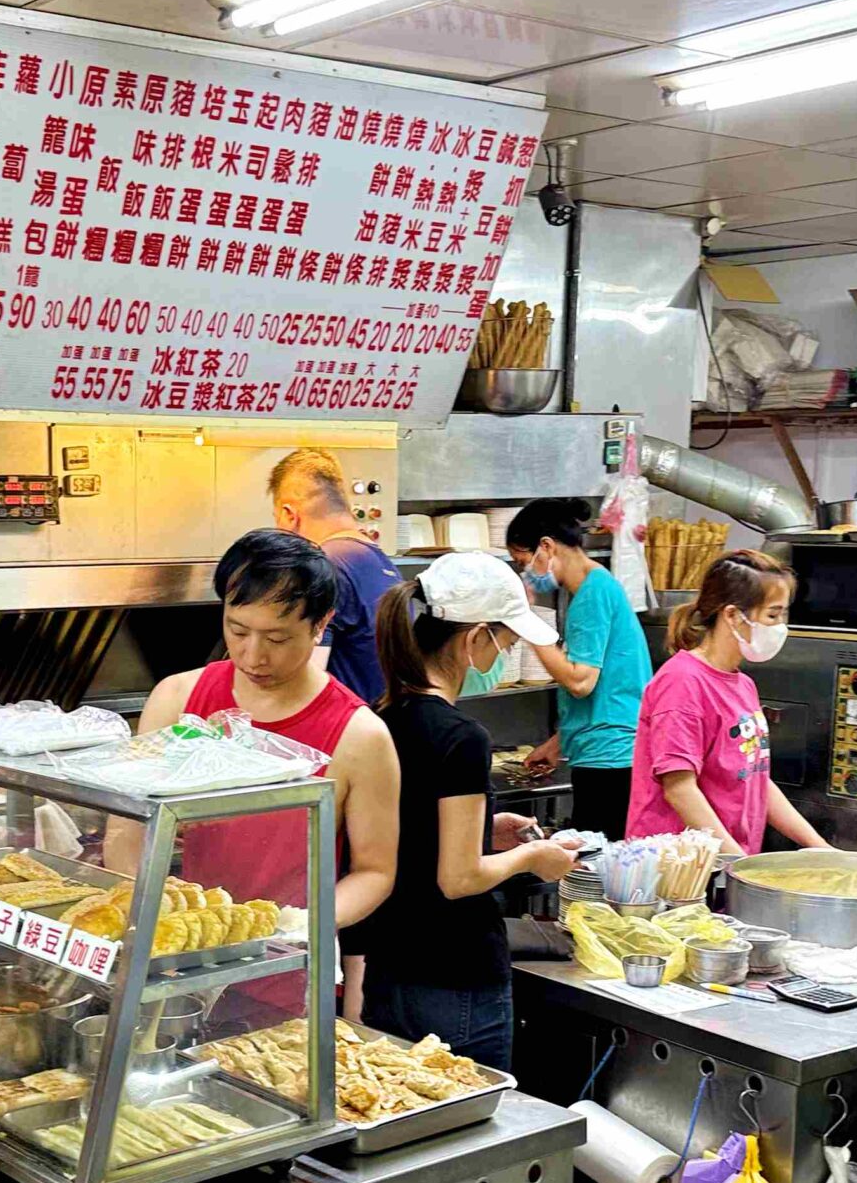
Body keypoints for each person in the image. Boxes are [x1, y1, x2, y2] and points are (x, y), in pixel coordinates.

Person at [134, 528, 397, 1020]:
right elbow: (131, 828)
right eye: (237, 630)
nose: (254, 656)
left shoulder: (361, 736)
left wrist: (295, 926)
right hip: (175, 962)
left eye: (278, 638)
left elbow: (376, 872)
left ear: (322, 625)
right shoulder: (176, 699)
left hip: (283, 977)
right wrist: (144, 917)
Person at [360, 556, 580, 1068]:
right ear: (474, 639)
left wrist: (487, 830)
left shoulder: (381, 716)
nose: (506, 655)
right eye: (506, 644)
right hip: (455, 975)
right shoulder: (461, 737)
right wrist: (533, 859)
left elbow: (410, 831)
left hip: (390, 966)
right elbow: (458, 878)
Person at [625, 549, 828, 853]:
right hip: (676, 870)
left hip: (725, 863)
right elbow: (679, 789)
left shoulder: (743, 685)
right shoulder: (683, 683)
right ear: (732, 615)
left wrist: (821, 849)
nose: (780, 627)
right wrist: (739, 864)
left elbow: (757, 780)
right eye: (772, 615)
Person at [505, 497, 651, 837]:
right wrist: (557, 744)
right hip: (610, 750)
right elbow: (604, 689)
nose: (523, 573)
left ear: (546, 547)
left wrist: (525, 620)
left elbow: (581, 682)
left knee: (595, 869)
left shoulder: (591, 593)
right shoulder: (595, 587)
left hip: (611, 758)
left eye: (522, 562)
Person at [270, 445, 400, 708]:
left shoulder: (322, 568)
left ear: (289, 514)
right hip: (380, 730)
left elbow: (302, 683)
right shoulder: (384, 564)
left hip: (335, 738)